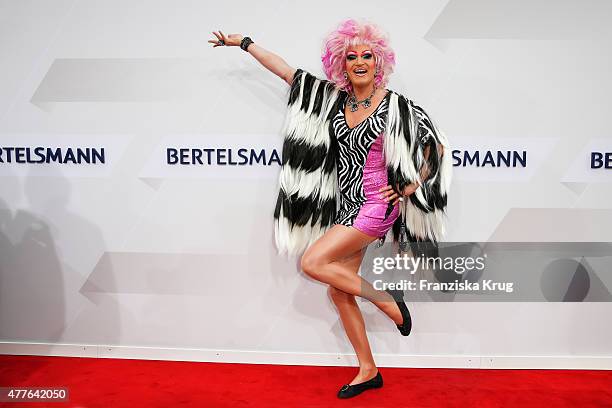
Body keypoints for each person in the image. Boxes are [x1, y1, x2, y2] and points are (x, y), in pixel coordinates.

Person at [209, 18, 452, 399]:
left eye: (367, 56)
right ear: (342, 63)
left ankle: (389, 301)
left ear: (379, 62)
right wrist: (245, 43)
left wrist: (407, 187)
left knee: (312, 263)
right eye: (351, 55)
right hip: (346, 205)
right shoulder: (334, 99)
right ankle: (369, 371)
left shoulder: (396, 106)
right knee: (339, 293)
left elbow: (434, 149)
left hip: (375, 204)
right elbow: (287, 71)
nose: (359, 61)